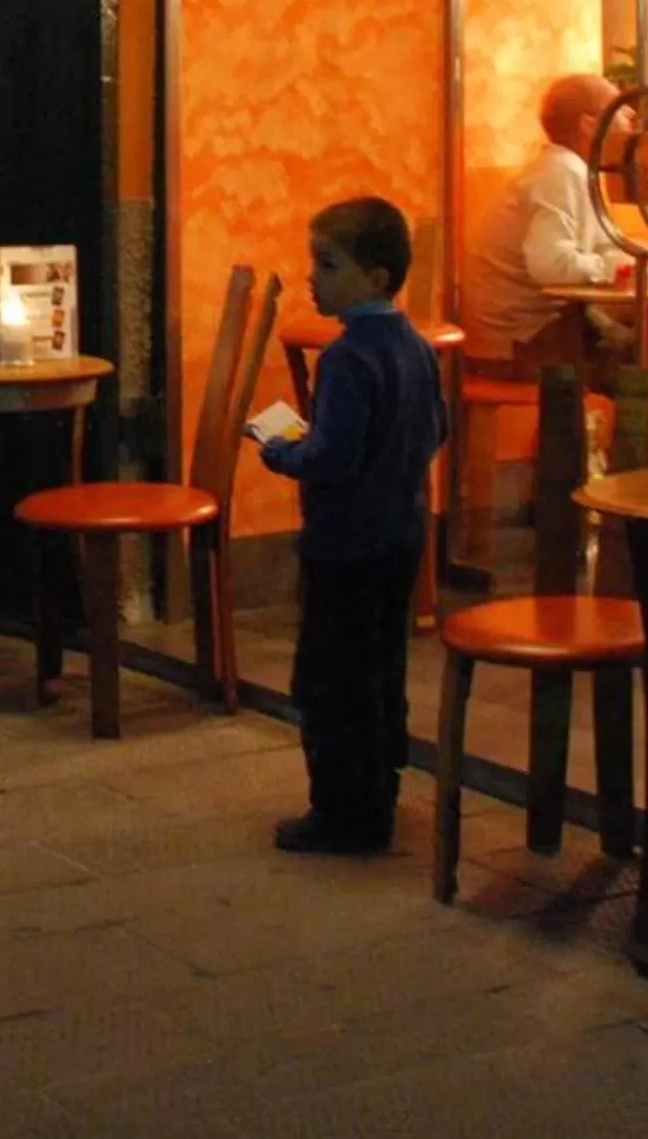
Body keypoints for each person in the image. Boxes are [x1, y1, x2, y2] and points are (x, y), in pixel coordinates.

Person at [258, 195, 447, 854]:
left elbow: (331, 455)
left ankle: (341, 811)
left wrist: (282, 449)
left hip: (343, 543)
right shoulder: (417, 348)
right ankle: (381, 796)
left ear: (375, 276)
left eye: (329, 264)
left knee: (329, 677)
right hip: (401, 536)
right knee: (382, 670)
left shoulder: (344, 358)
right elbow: (436, 430)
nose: (314, 276)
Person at [465, 72, 626, 369]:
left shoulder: (569, 169)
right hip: (514, 342)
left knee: (638, 337)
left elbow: (607, 245)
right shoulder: (562, 172)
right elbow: (550, 264)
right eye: (620, 112)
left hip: (529, 332)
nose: (629, 122)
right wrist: (613, 269)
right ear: (590, 125)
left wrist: (628, 265)